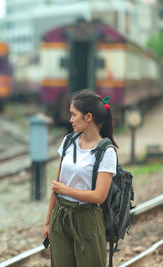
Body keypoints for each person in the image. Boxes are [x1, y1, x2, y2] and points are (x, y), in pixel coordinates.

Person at [43, 89, 118, 267]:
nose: (70, 119)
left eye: (73, 114)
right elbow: (56, 186)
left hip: (87, 218)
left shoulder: (106, 152)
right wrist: (48, 221)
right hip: (60, 216)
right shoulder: (68, 142)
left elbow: (99, 196)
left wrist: (65, 190)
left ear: (88, 117)